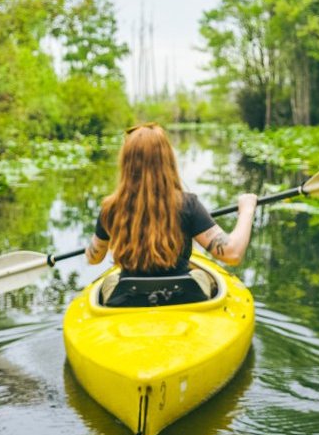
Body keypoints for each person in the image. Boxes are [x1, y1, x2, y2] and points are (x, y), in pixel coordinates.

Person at [84, 123, 258, 306]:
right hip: (183, 298)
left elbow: (94, 258)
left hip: (128, 299)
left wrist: (92, 249)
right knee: (205, 278)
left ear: (126, 162)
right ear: (166, 160)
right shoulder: (188, 205)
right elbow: (232, 253)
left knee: (109, 283)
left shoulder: (111, 208)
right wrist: (247, 211)